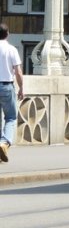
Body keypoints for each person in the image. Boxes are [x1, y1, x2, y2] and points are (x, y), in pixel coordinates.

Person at [0, 22, 23, 162]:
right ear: (7, 34)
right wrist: (22, 88)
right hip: (7, 86)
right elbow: (18, 72)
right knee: (10, 118)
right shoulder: (11, 49)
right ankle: (4, 142)